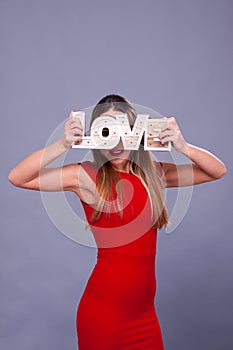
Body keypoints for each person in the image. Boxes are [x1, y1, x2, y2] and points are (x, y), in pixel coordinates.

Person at [8, 94, 227, 349]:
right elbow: (17, 177)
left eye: (123, 130)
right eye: (106, 131)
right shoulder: (86, 176)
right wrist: (62, 145)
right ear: (96, 137)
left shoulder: (154, 174)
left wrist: (183, 146)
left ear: (137, 132)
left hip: (145, 315)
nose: (116, 141)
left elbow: (217, 170)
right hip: (105, 317)